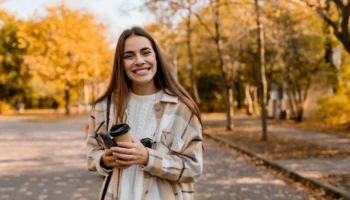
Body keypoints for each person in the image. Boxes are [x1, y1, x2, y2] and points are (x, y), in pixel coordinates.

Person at [86, 26, 203, 200]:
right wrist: (104, 160)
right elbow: (92, 155)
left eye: (145, 52)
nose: (139, 61)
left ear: (156, 57)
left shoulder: (182, 108)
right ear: (121, 63)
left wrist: (148, 157)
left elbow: (193, 168)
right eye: (129, 56)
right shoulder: (104, 106)